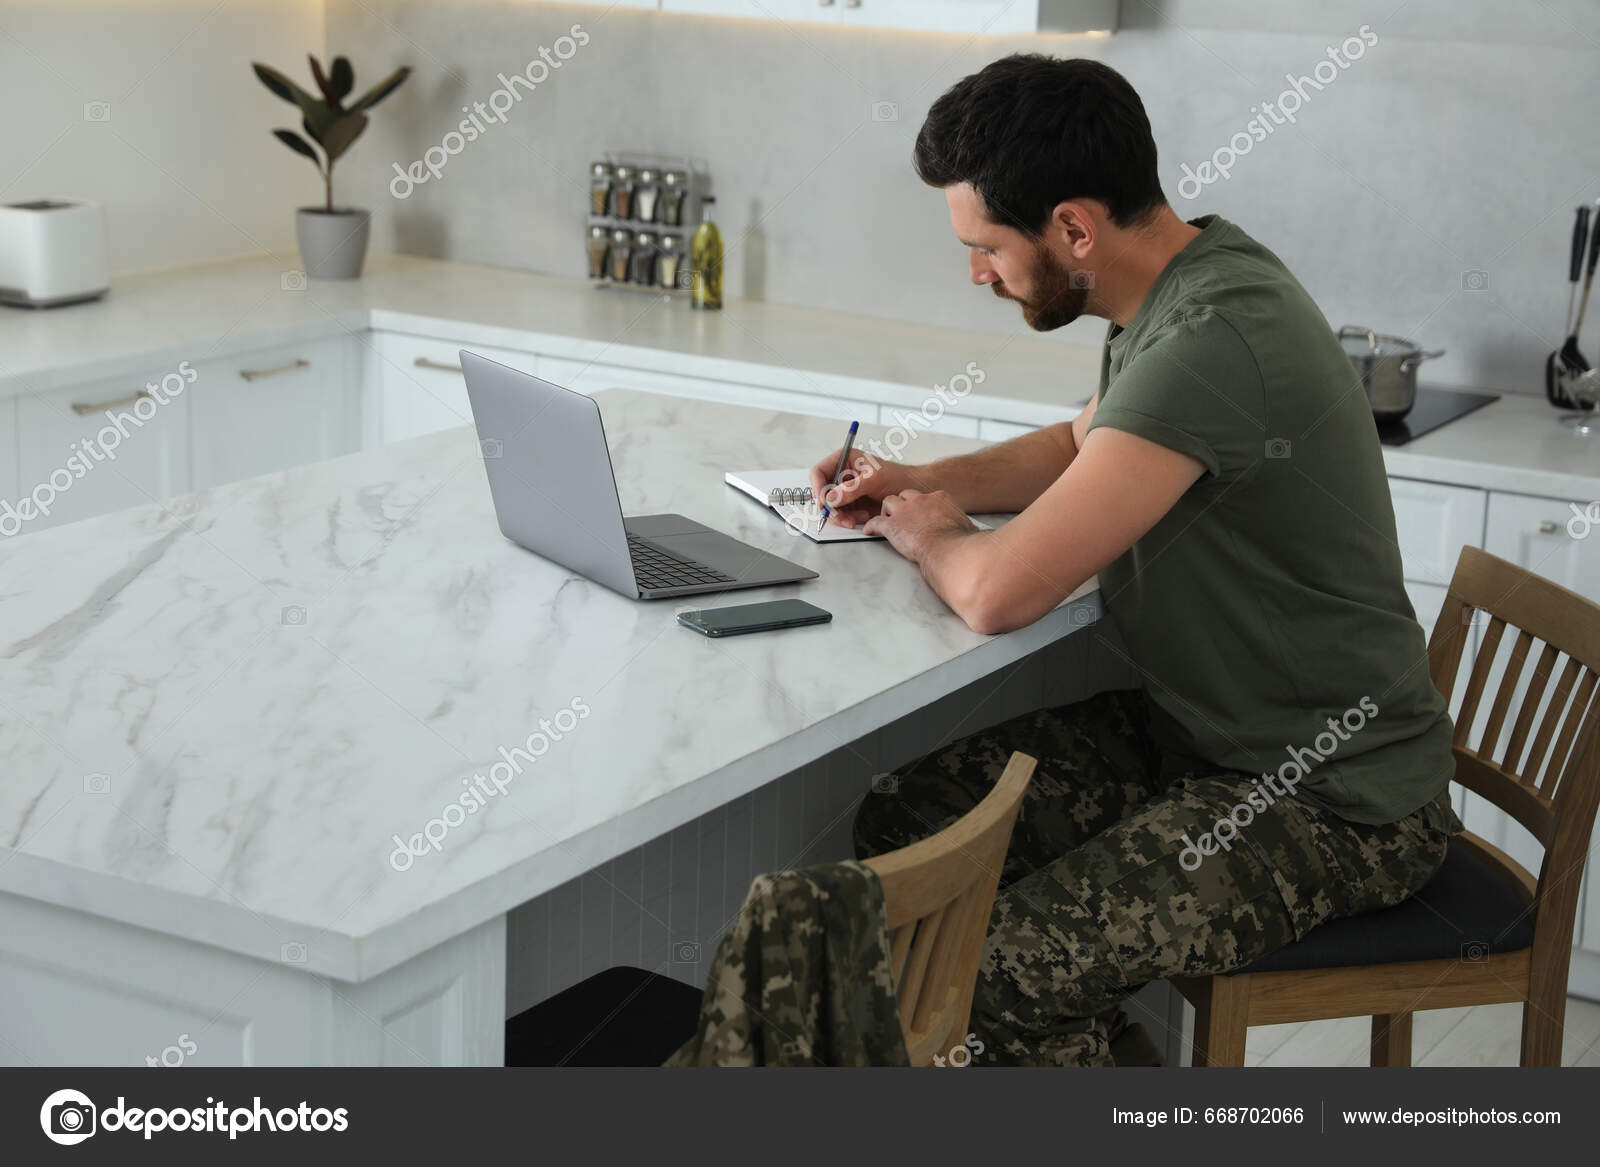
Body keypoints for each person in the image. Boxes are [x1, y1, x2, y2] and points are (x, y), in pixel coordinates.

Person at [808, 54, 1462, 1067]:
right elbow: (1081, 445)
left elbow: (996, 594)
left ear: (1073, 228)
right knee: (911, 821)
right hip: (1204, 740)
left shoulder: (1212, 337)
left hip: (1330, 798)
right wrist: (916, 478)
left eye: (986, 248)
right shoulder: (1186, 279)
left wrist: (931, 531)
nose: (978, 274)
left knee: (993, 976)